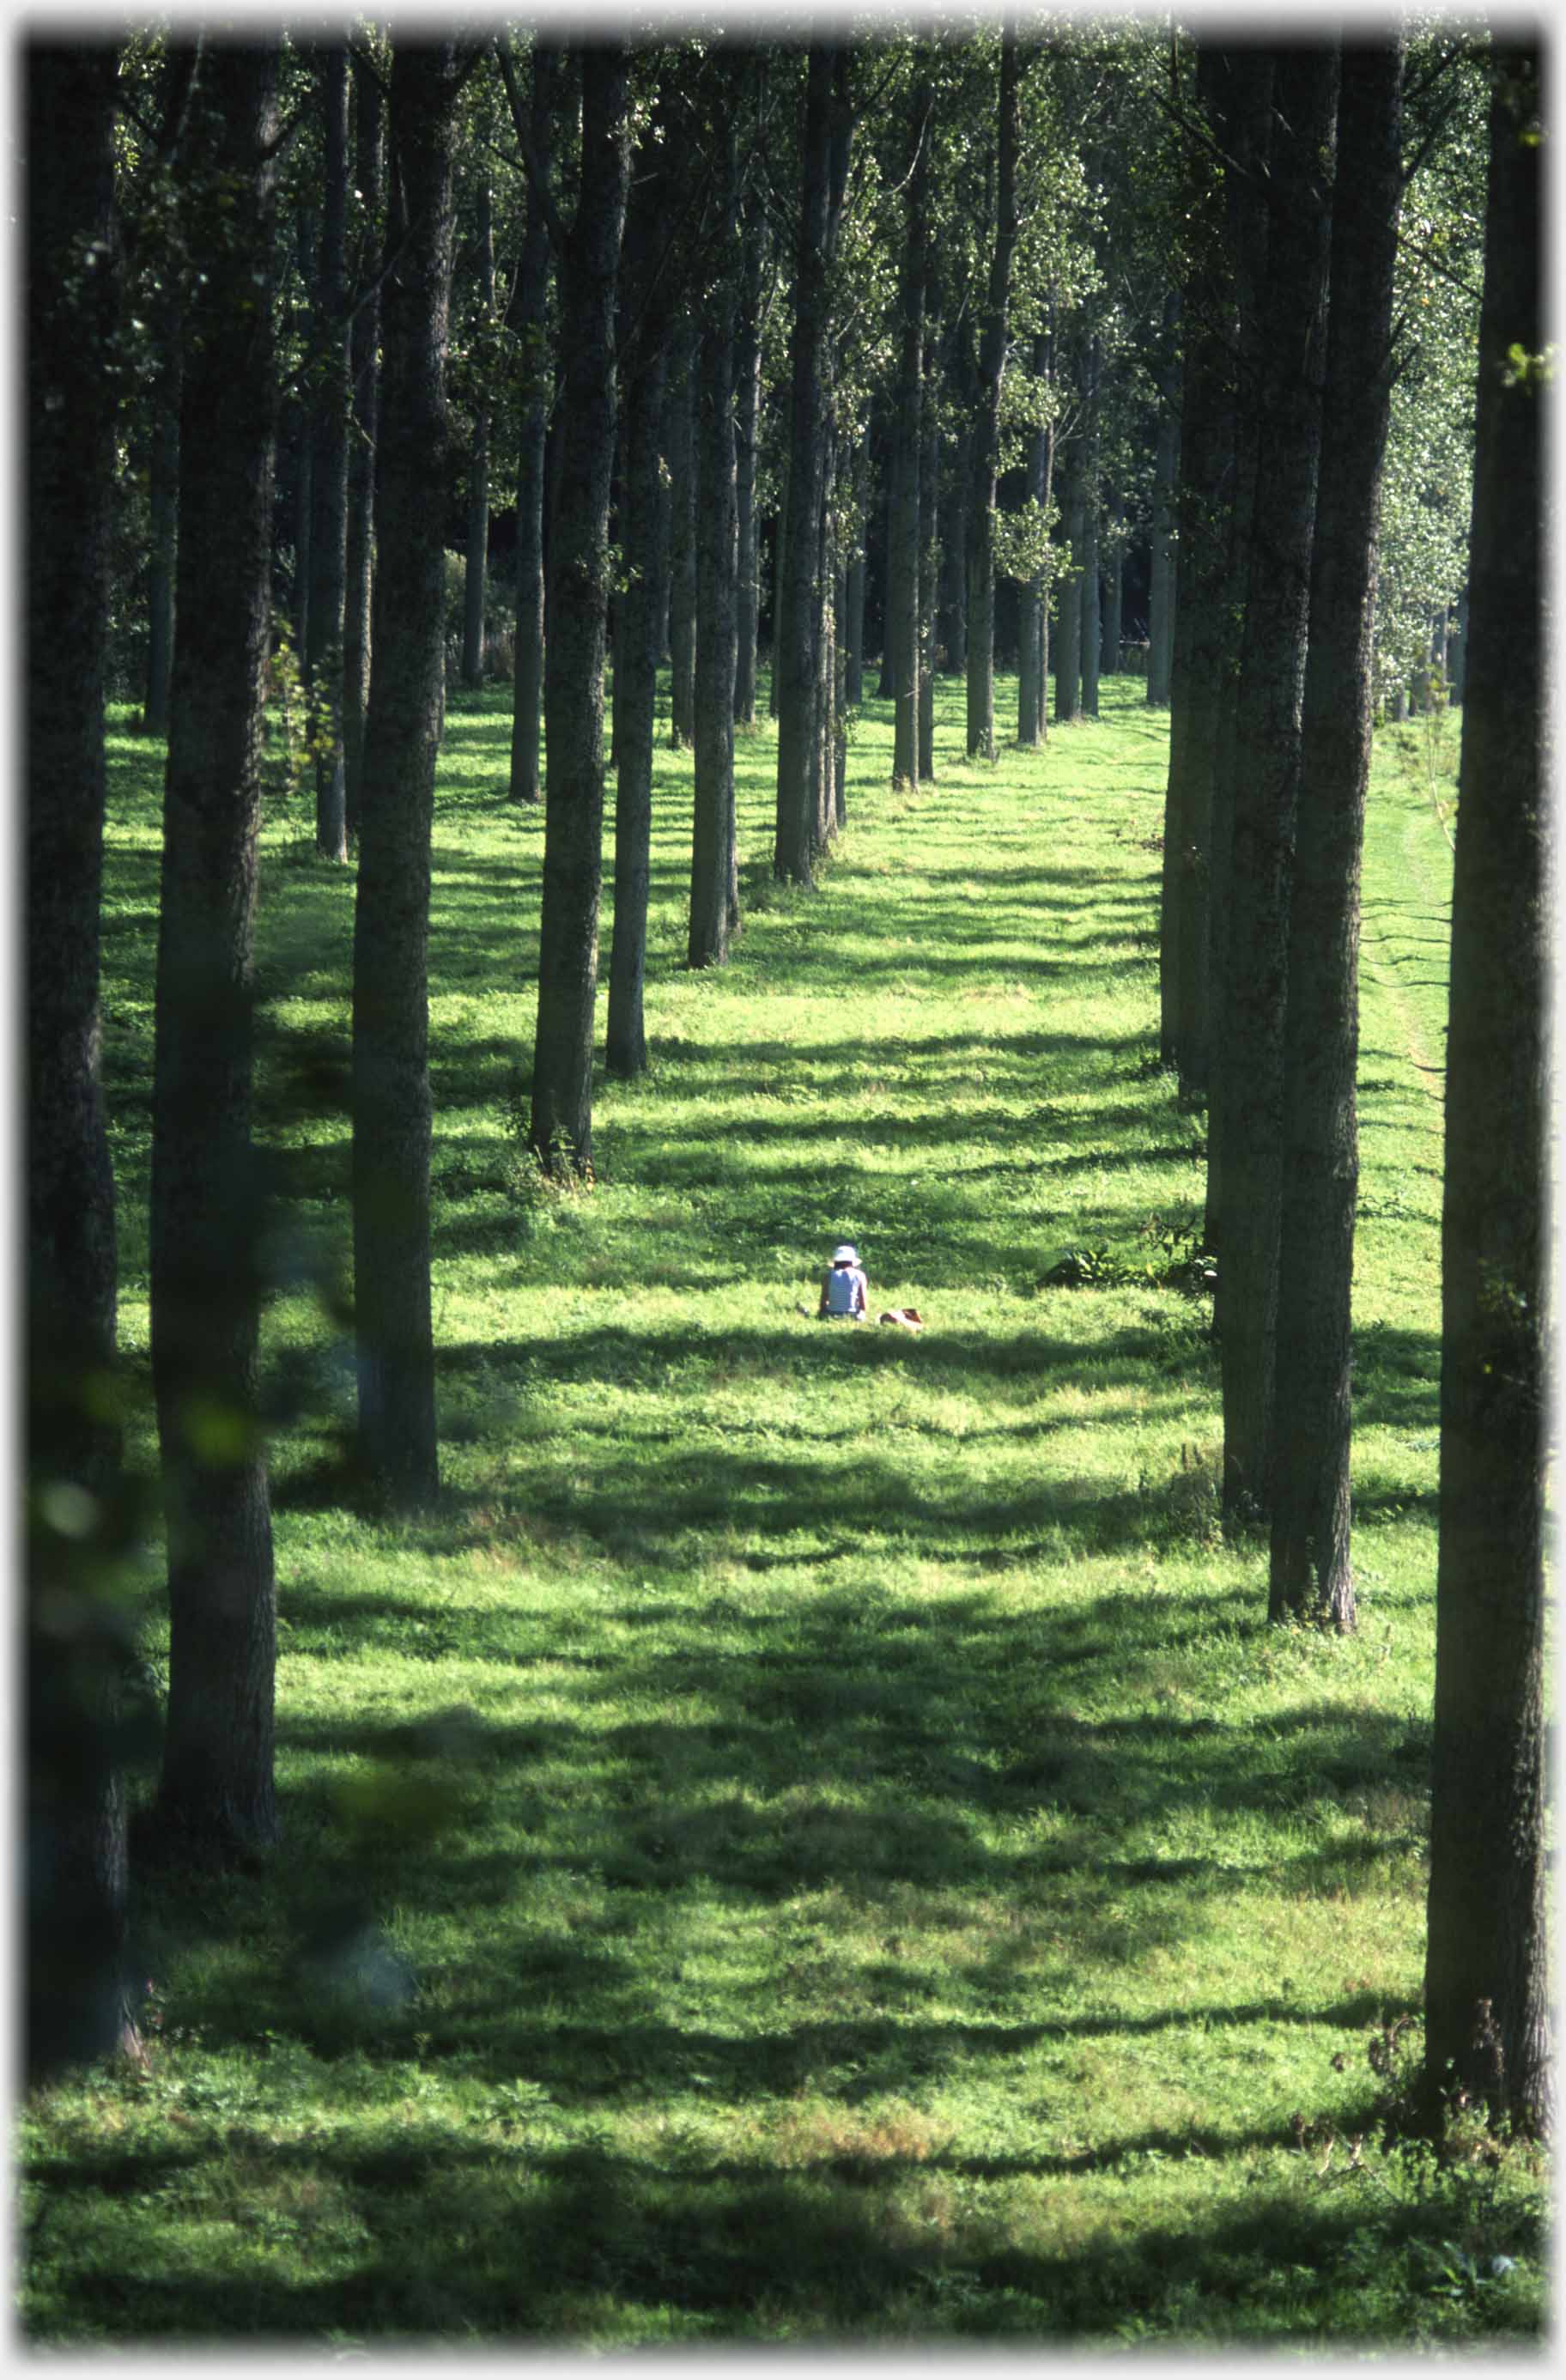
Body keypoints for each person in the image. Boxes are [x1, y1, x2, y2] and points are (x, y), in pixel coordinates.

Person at [818, 1242, 868, 1321]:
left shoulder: (829, 1276)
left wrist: (822, 1312)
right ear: (852, 1261)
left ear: (835, 1261)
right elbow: (863, 1305)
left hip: (832, 1315)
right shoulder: (860, 1275)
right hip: (853, 1316)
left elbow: (823, 1302)